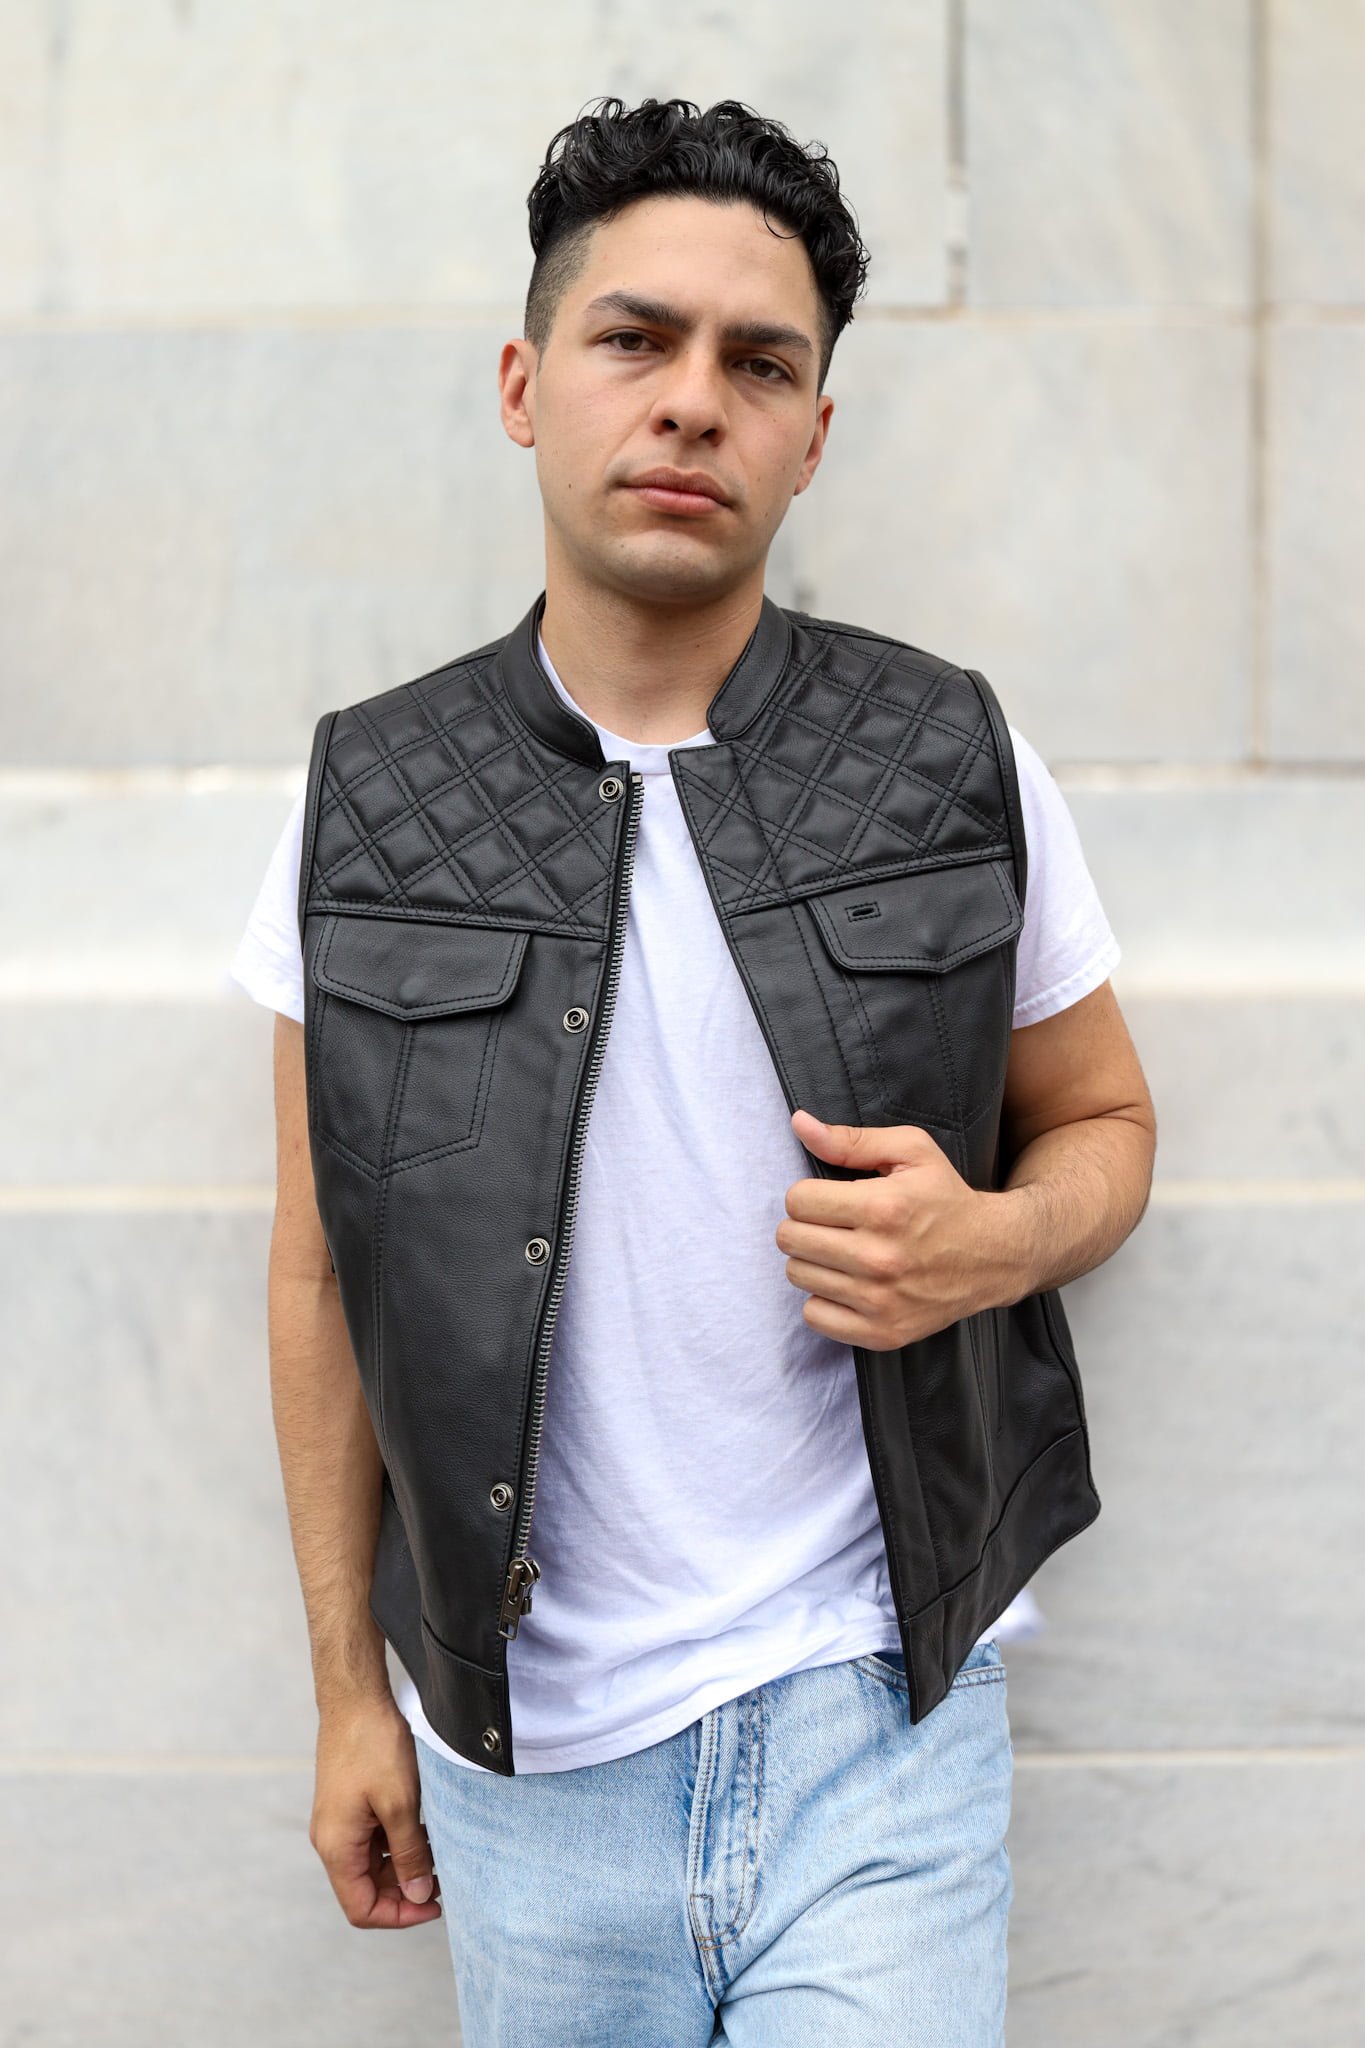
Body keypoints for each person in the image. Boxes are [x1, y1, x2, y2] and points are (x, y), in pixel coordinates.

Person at [230, 95, 1155, 2048]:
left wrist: (989, 1240)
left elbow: (1104, 1124)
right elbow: (326, 1276)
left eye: (758, 363)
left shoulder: (945, 755)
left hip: (875, 1715)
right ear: (523, 382)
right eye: (631, 340)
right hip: (524, 1745)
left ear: (812, 429)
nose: (688, 403)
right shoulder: (371, 801)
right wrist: (343, 1693)